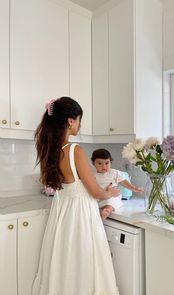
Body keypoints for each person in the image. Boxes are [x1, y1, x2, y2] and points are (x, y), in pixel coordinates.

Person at [32, 97, 120, 295]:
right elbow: (94, 191)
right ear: (71, 121)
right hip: (80, 216)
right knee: (84, 261)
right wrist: (110, 193)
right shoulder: (75, 150)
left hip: (62, 214)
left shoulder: (49, 149)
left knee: (64, 262)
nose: (80, 124)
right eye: (79, 119)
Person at [91, 148, 144, 220]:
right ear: (93, 163)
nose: (104, 166)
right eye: (99, 163)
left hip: (112, 197)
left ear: (111, 162)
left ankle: (107, 210)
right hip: (99, 198)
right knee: (93, 203)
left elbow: (123, 182)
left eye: (107, 163)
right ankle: (103, 210)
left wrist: (134, 188)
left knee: (112, 202)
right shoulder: (92, 175)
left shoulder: (114, 173)